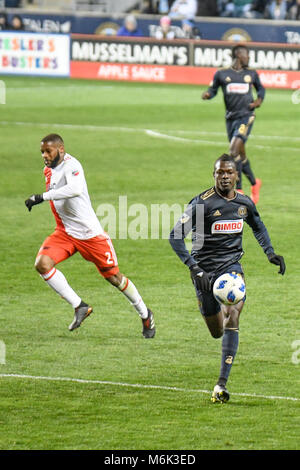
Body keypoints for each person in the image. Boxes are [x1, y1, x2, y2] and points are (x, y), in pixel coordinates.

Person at [169, 153, 285, 403]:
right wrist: (193, 267)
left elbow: (258, 225)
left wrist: (270, 253)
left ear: (236, 175)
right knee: (216, 331)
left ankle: (220, 385)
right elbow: (175, 236)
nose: (224, 176)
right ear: (214, 175)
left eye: (229, 172)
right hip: (204, 272)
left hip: (231, 268)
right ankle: (214, 308)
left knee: (233, 314)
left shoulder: (244, 203)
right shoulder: (202, 204)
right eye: (219, 172)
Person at [24, 134, 155, 338]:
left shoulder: (72, 165)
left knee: (114, 278)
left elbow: (75, 189)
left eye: (48, 151)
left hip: (89, 235)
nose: (44, 155)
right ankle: (80, 306)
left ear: (60, 149)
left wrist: (42, 197)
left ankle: (145, 314)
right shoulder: (48, 170)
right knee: (42, 264)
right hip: (65, 233)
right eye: (42, 151)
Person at [202, 44, 265, 204]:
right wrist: (208, 94)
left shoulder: (251, 73)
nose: (249, 57)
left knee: (233, 150)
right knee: (240, 154)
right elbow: (213, 89)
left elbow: (261, 89)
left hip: (247, 115)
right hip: (231, 118)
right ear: (238, 55)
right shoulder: (222, 73)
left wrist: (258, 100)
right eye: (247, 54)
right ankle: (255, 183)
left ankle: (239, 189)